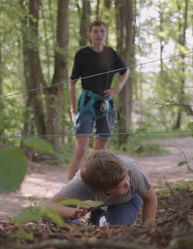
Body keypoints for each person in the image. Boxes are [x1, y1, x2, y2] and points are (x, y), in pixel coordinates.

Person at [68, 20, 130, 181]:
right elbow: (72, 82)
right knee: (81, 148)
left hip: (106, 104)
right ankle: (69, 189)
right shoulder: (82, 54)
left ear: (106, 34)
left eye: (102, 31)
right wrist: (73, 109)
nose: (99, 34)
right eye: (95, 31)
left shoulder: (111, 53)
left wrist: (117, 88)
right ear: (90, 34)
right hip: (88, 103)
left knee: (100, 151)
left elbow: (125, 71)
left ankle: (93, 185)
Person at [45, 150, 157, 226]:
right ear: (103, 188)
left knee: (120, 227)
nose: (128, 183)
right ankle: (92, 215)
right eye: (120, 185)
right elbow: (47, 207)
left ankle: (100, 219)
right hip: (91, 200)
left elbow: (150, 198)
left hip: (128, 200)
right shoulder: (81, 183)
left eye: (126, 176)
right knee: (66, 217)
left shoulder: (133, 172)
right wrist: (74, 212)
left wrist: (148, 226)